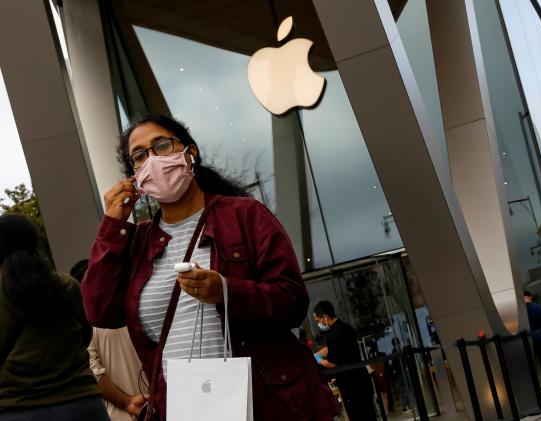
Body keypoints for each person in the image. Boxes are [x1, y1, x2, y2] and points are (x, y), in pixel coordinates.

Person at [80, 114, 336, 420]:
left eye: (161, 145)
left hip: (265, 402)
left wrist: (227, 291)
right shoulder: (137, 243)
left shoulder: (244, 214)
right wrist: (112, 225)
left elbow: (293, 301)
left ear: (191, 153)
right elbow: (99, 311)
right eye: (139, 155)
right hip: (187, 407)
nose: (152, 160)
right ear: (134, 175)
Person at [0, 214, 108, 420]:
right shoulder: (66, 285)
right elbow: (84, 336)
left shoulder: (3, 294)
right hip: (83, 403)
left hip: (18, 408)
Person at [71, 259, 149, 421]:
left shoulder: (84, 323)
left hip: (124, 415)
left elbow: (93, 373)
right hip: (163, 404)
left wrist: (128, 402)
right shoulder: (141, 304)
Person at [313, 301, 377, 421]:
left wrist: (318, 360)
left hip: (350, 385)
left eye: (318, 320)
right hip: (362, 379)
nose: (319, 324)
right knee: (369, 415)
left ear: (325, 317)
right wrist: (317, 354)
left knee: (357, 416)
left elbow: (332, 363)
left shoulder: (333, 335)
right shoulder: (346, 328)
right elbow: (330, 349)